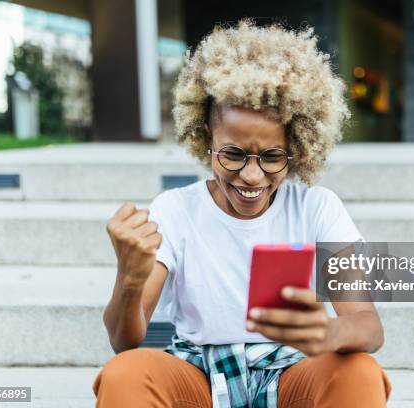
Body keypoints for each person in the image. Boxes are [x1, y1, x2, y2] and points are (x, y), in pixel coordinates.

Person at [93, 19, 392, 407]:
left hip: (290, 374)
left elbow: (369, 326)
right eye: (232, 154)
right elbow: (125, 341)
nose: (252, 176)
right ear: (206, 137)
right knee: (126, 374)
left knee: (359, 373)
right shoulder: (177, 209)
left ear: (297, 147)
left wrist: (329, 333)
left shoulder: (317, 208)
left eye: (272, 157)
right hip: (199, 374)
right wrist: (129, 280)